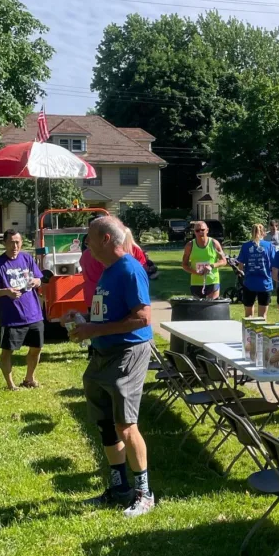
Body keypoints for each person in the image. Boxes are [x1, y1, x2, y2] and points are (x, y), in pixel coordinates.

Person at [70, 215, 155, 517]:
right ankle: (119, 488)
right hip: (103, 354)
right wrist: (85, 323)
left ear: (106, 239)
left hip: (127, 352)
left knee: (125, 424)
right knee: (105, 422)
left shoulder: (130, 269)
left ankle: (144, 493)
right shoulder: (108, 270)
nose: (86, 244)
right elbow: (106, 314)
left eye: (89, 238)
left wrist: (95, 331)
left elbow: (143, 318)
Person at [0, 229, 45, 390]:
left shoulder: (27, 258)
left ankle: (29, 378)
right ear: (4, 243)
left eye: (18, 242)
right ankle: (10, 385)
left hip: (33, 314)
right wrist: (6, 292)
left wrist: (35, 282)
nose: (15, 245)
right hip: (12, 316)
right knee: (7, 352)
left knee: (36, 348)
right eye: (11, 242)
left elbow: (39, 279)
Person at [237, 224, 275, 318]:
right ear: (263, 233)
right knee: (263, 316)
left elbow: (240, 267)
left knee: (248, 315)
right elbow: (274, 265)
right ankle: (262, 332)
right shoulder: (269, 246)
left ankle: (248, 332)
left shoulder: (245, 246)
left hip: (249, 283)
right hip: (265, 283)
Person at [182, 220, 227, 299]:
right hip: (196, 282)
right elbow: (184, 265)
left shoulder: (214, 243)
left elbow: (223, 261)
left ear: (207, 230)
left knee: (211, 307)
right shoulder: (190, 245)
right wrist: (195, 272)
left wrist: (212, 266)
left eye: (202, 230)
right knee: (198, 309)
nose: (200, 232)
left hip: (212, 280)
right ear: (194, 232)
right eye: (197, 231)